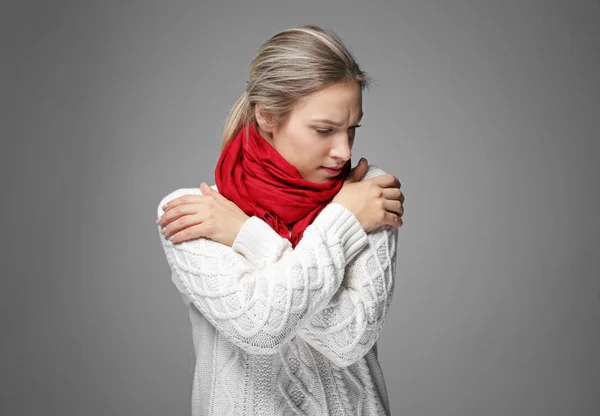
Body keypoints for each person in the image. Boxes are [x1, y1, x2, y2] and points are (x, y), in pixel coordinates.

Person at [155, 24, 405, 416]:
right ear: (267, 116)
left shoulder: (367, 195)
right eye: (325, 130)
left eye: (352, 129)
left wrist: (246, 236)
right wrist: (342, 221)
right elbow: (262, 326)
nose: (343, 151)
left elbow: (350, 340)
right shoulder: (194, 214)